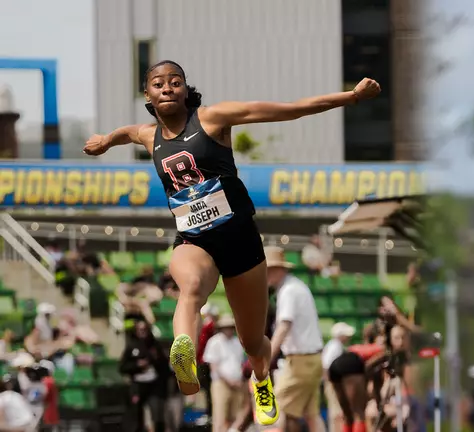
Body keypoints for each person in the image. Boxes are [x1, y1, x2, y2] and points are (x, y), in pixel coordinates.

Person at [83, 59, 380, 426]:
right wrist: (105, 140)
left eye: (175, 82)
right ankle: (185, 357)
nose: (167, 88)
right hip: (193, 239)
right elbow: (128, 132)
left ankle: (261, 379)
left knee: (253, 343)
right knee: (190, 286)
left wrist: (350, 97)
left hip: (240, 240)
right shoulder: (149, 135)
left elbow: (286, 111)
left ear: (185, 88)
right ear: (148, 94)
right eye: (158, 84)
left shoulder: (212, 118)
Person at [266, 246, 325, 432]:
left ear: (278, 269)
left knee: (274, 412)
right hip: (311, 360)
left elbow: (284, 327)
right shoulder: (294, 286)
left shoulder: (288, 291)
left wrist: (265, 359)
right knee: (312, 415)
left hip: (301, 362)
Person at [119, 318, 169, 432]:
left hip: (153, 384)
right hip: (138, 385)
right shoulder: (131, 346)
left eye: (144, 330)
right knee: (135, 416)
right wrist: (137, 365)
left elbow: (164, 367)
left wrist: (156, 360)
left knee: (157, 414)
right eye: (140, 330)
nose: (142, 332)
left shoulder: (155, 346)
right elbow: (122, 367)